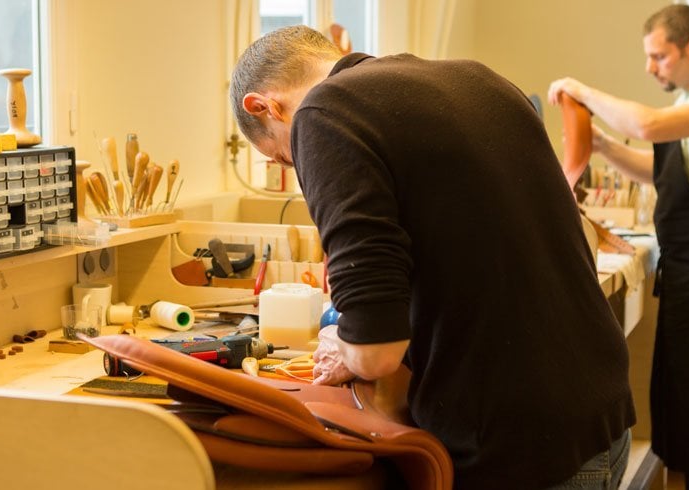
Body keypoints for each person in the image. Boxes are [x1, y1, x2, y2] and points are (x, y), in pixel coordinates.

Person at [231, 25, 635, 489]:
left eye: (283, 158)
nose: (294, 166)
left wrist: (345, 343)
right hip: (598, 417)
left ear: (264, 106)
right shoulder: (479, 81)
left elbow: (375, 353)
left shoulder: (322, 114)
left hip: (521, 449)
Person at [548, 5, 689, 489]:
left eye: (657, 56)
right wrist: (602, 146)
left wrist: (581, 91)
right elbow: (657, 169)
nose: (650, 67)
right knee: (686, 407)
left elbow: (645, 126)